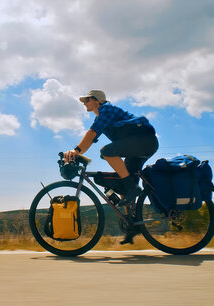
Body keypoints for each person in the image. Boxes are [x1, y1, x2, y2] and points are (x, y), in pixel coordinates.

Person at [63, 90, 158, 244]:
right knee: (124, 182)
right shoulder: (103, 115)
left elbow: (92, 133)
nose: (84, 103)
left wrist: (76, 151)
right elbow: (92, 136)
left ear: (96, 100)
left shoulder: (106, 110)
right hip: (140, 146)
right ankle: (132, 224)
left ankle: (132, 189)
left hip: (144, 142)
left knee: (107, 151)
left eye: (86, 100)